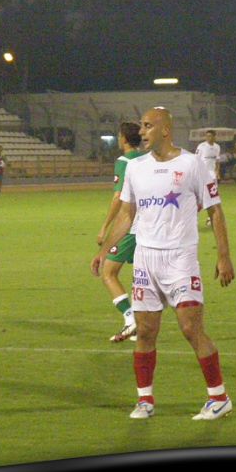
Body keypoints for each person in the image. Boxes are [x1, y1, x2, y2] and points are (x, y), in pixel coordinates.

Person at [90, 107, 235, 421]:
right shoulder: (136, 168)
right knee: (144, 331)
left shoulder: (192, 164)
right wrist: (105, 250)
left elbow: (215, 211)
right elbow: (127, 214)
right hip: (145, 260)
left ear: (165, 130)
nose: (142, 132)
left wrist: (223, 256)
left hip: (180, 259)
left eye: (147, 126)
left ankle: (219, 398)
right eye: (141, 127)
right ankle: (145, 400)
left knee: (191, 328)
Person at [95, 122, 144, 342]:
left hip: (131, 227)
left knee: (108, 272)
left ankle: (130, 319)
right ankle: (140, 325)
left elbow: (118, 197)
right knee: (140, 277)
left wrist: (104, 227)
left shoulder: (124, 162)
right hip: (149, 225)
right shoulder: (147, 159)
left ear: (124, 138)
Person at [196, 129, 222, 226]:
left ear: (214, 137)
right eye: (207, 136)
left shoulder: (217, 147)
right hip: (202, 175)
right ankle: (193, 218)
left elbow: (217, 161)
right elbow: (196, 160)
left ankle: (210, 218)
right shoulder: (201, 146)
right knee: (199, 197)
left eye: (210, 136)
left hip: (212, 176)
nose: (208, 138)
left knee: (212, 197)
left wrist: (217, 172)